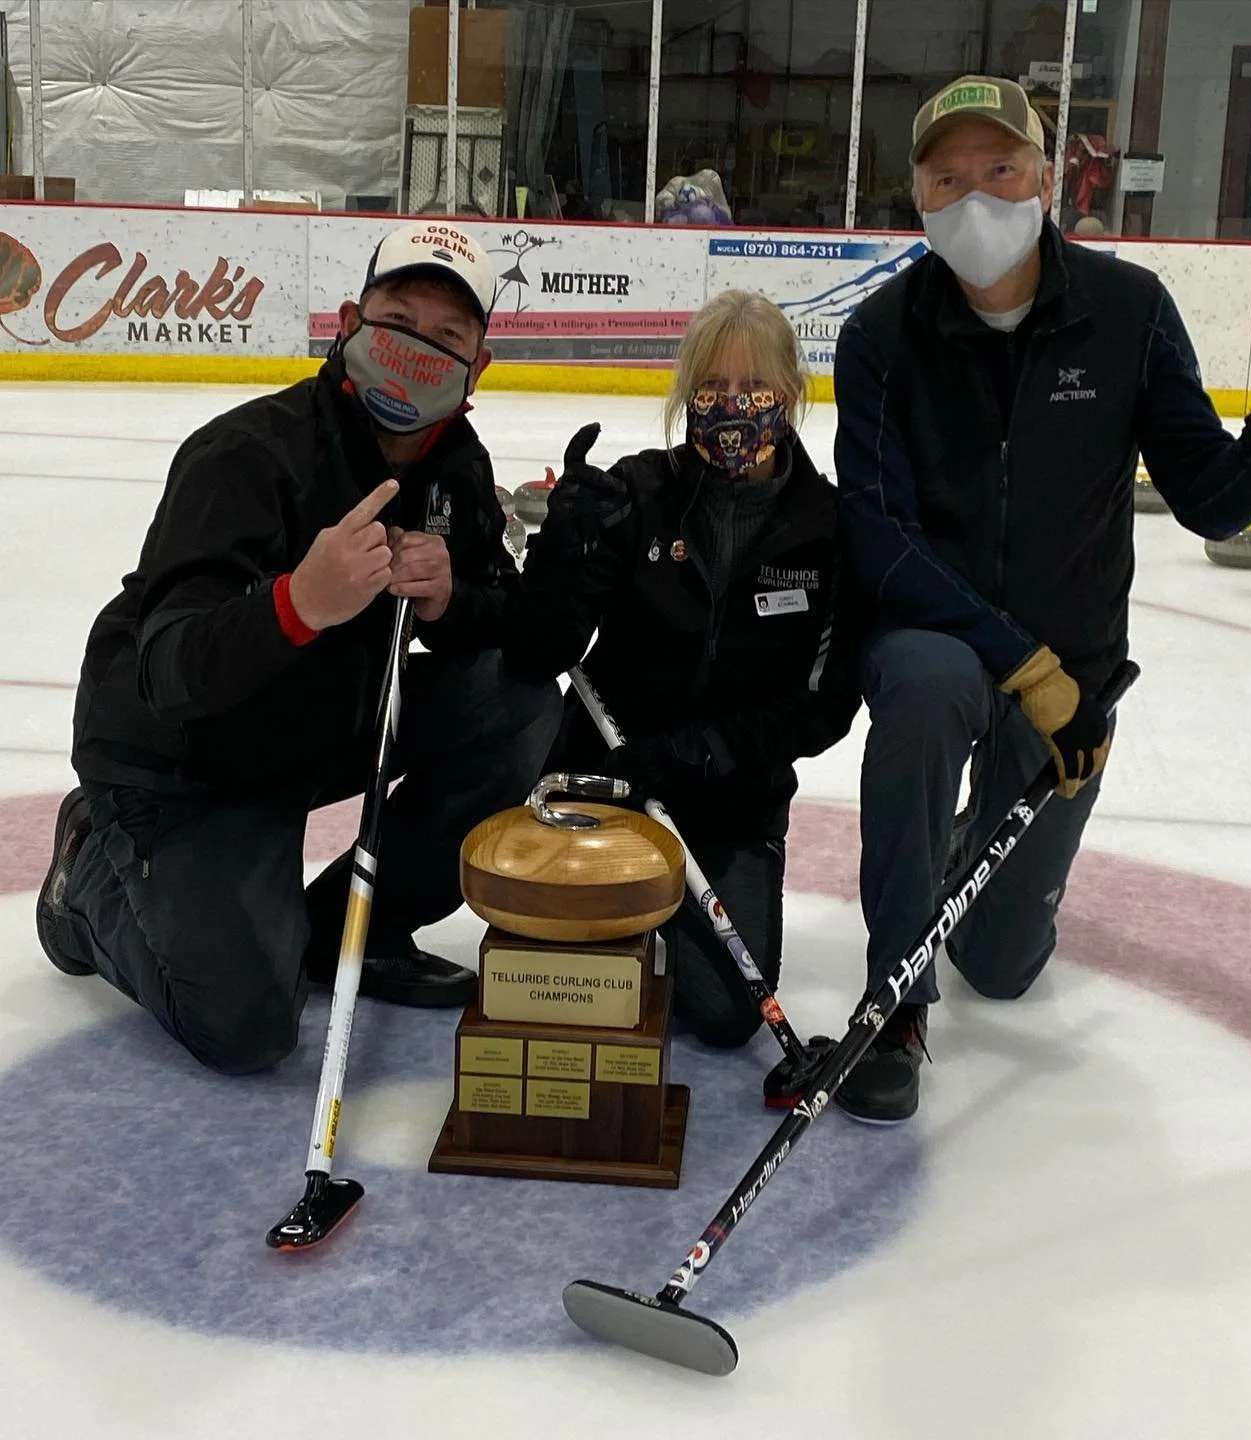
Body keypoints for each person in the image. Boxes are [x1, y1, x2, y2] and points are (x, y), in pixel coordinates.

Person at [833, 74, 1251, 1123]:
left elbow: (1212, 502)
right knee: (925, 688)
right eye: (947, 178)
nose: (975, 196)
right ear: (917, 198)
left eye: (1000, 169)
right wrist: (1016, 665)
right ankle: (892, 1006)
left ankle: (972, 858)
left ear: (1047, 176)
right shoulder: (881, 335)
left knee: (1003, 966)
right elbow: (880, 538)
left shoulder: (1126, 312)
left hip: (1073, 682)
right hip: (937, 646)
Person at [35, 220, 561, 1074]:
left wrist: (450, 598)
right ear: (351, 320)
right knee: (245, 1028)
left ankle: (357, 923)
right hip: (187, 765)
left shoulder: (455, 469)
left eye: (447, 337)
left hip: (323, 725)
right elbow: (169, 668)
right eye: (398, 321)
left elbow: (499, 615)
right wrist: (296, 604)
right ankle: (82, 881)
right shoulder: (244, 456)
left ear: (480, 366)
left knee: (521, 702)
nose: (416, 350)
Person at [502, 290, 859, 1048]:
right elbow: (539, 652)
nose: (732, 408)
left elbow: (823, 709)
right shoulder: (638, 492)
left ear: (790, 394)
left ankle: (666, 906)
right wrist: (562, 551)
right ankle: (627, 903)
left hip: (730, 799)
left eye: (753, 388)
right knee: (551, 984)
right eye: (711, 388)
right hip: (609, 777)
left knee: (728, 1013)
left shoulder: (825, 528)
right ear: (684, 393)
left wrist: (700, 754)